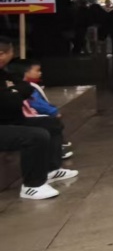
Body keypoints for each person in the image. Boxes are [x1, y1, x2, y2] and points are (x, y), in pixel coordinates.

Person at [0, 38, 76, 198]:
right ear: (2, 54)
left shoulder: (4, 73)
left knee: (51, 123)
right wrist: (13, 93)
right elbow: (9, 99)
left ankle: (52, 169)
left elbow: (25, 88)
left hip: (9, 119)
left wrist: (13, 92)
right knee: (35, 136)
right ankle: (32, 185)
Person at [9, 58, 74, 159]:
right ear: (25, 72)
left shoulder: (25, 86)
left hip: (27, 115)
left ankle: (59, 147)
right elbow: (36, 103)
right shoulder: (27, 87)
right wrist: (53, 111)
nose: (40, 73)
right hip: (29, 115)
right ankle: (55, 155)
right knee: (51, 123)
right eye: (37, 70)